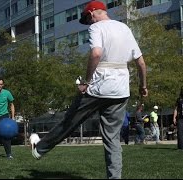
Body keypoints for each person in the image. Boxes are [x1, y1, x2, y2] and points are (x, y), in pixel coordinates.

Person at [29, 0, 148, 179]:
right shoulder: (125, 29)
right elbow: (141, 62)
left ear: (92, 13)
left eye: (88, 19)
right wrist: (143, 86)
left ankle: (40, 149)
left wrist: (86, 81)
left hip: (99, 87)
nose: (89, 23)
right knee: (112, 139)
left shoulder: (96, 28)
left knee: (70, 120)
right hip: (121, 90)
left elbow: (96, 53)